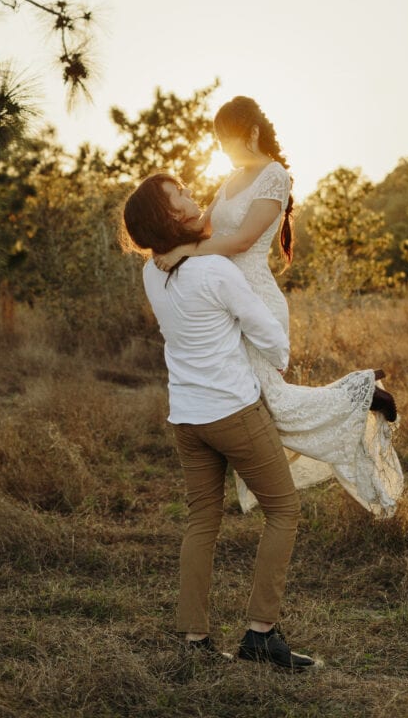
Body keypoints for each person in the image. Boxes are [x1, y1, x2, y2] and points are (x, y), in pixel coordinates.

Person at [154, 96, 403, 517]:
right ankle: (351, 403)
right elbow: (202, 225)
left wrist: (183, 253)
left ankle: (365, 395)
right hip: (225, 299)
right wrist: (159, 235)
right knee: (258, 403)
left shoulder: (275, 176)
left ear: (251, 133)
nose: (224, 148)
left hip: (255, 297)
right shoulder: (231, 178)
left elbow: (242, 240)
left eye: (228, 139)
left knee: (272, 406)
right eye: (218, 141)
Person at [122, 173, 318, 670]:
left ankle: (194, 641)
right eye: (180, 196)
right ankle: (260, 634)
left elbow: (199, 237)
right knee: (284, 511)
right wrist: (278, 361)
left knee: (202, 523)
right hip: (233, 410)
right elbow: (267, 331)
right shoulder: (216, 273)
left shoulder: (153, 271)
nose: (193, 197)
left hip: (186, 417)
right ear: (167, 218)